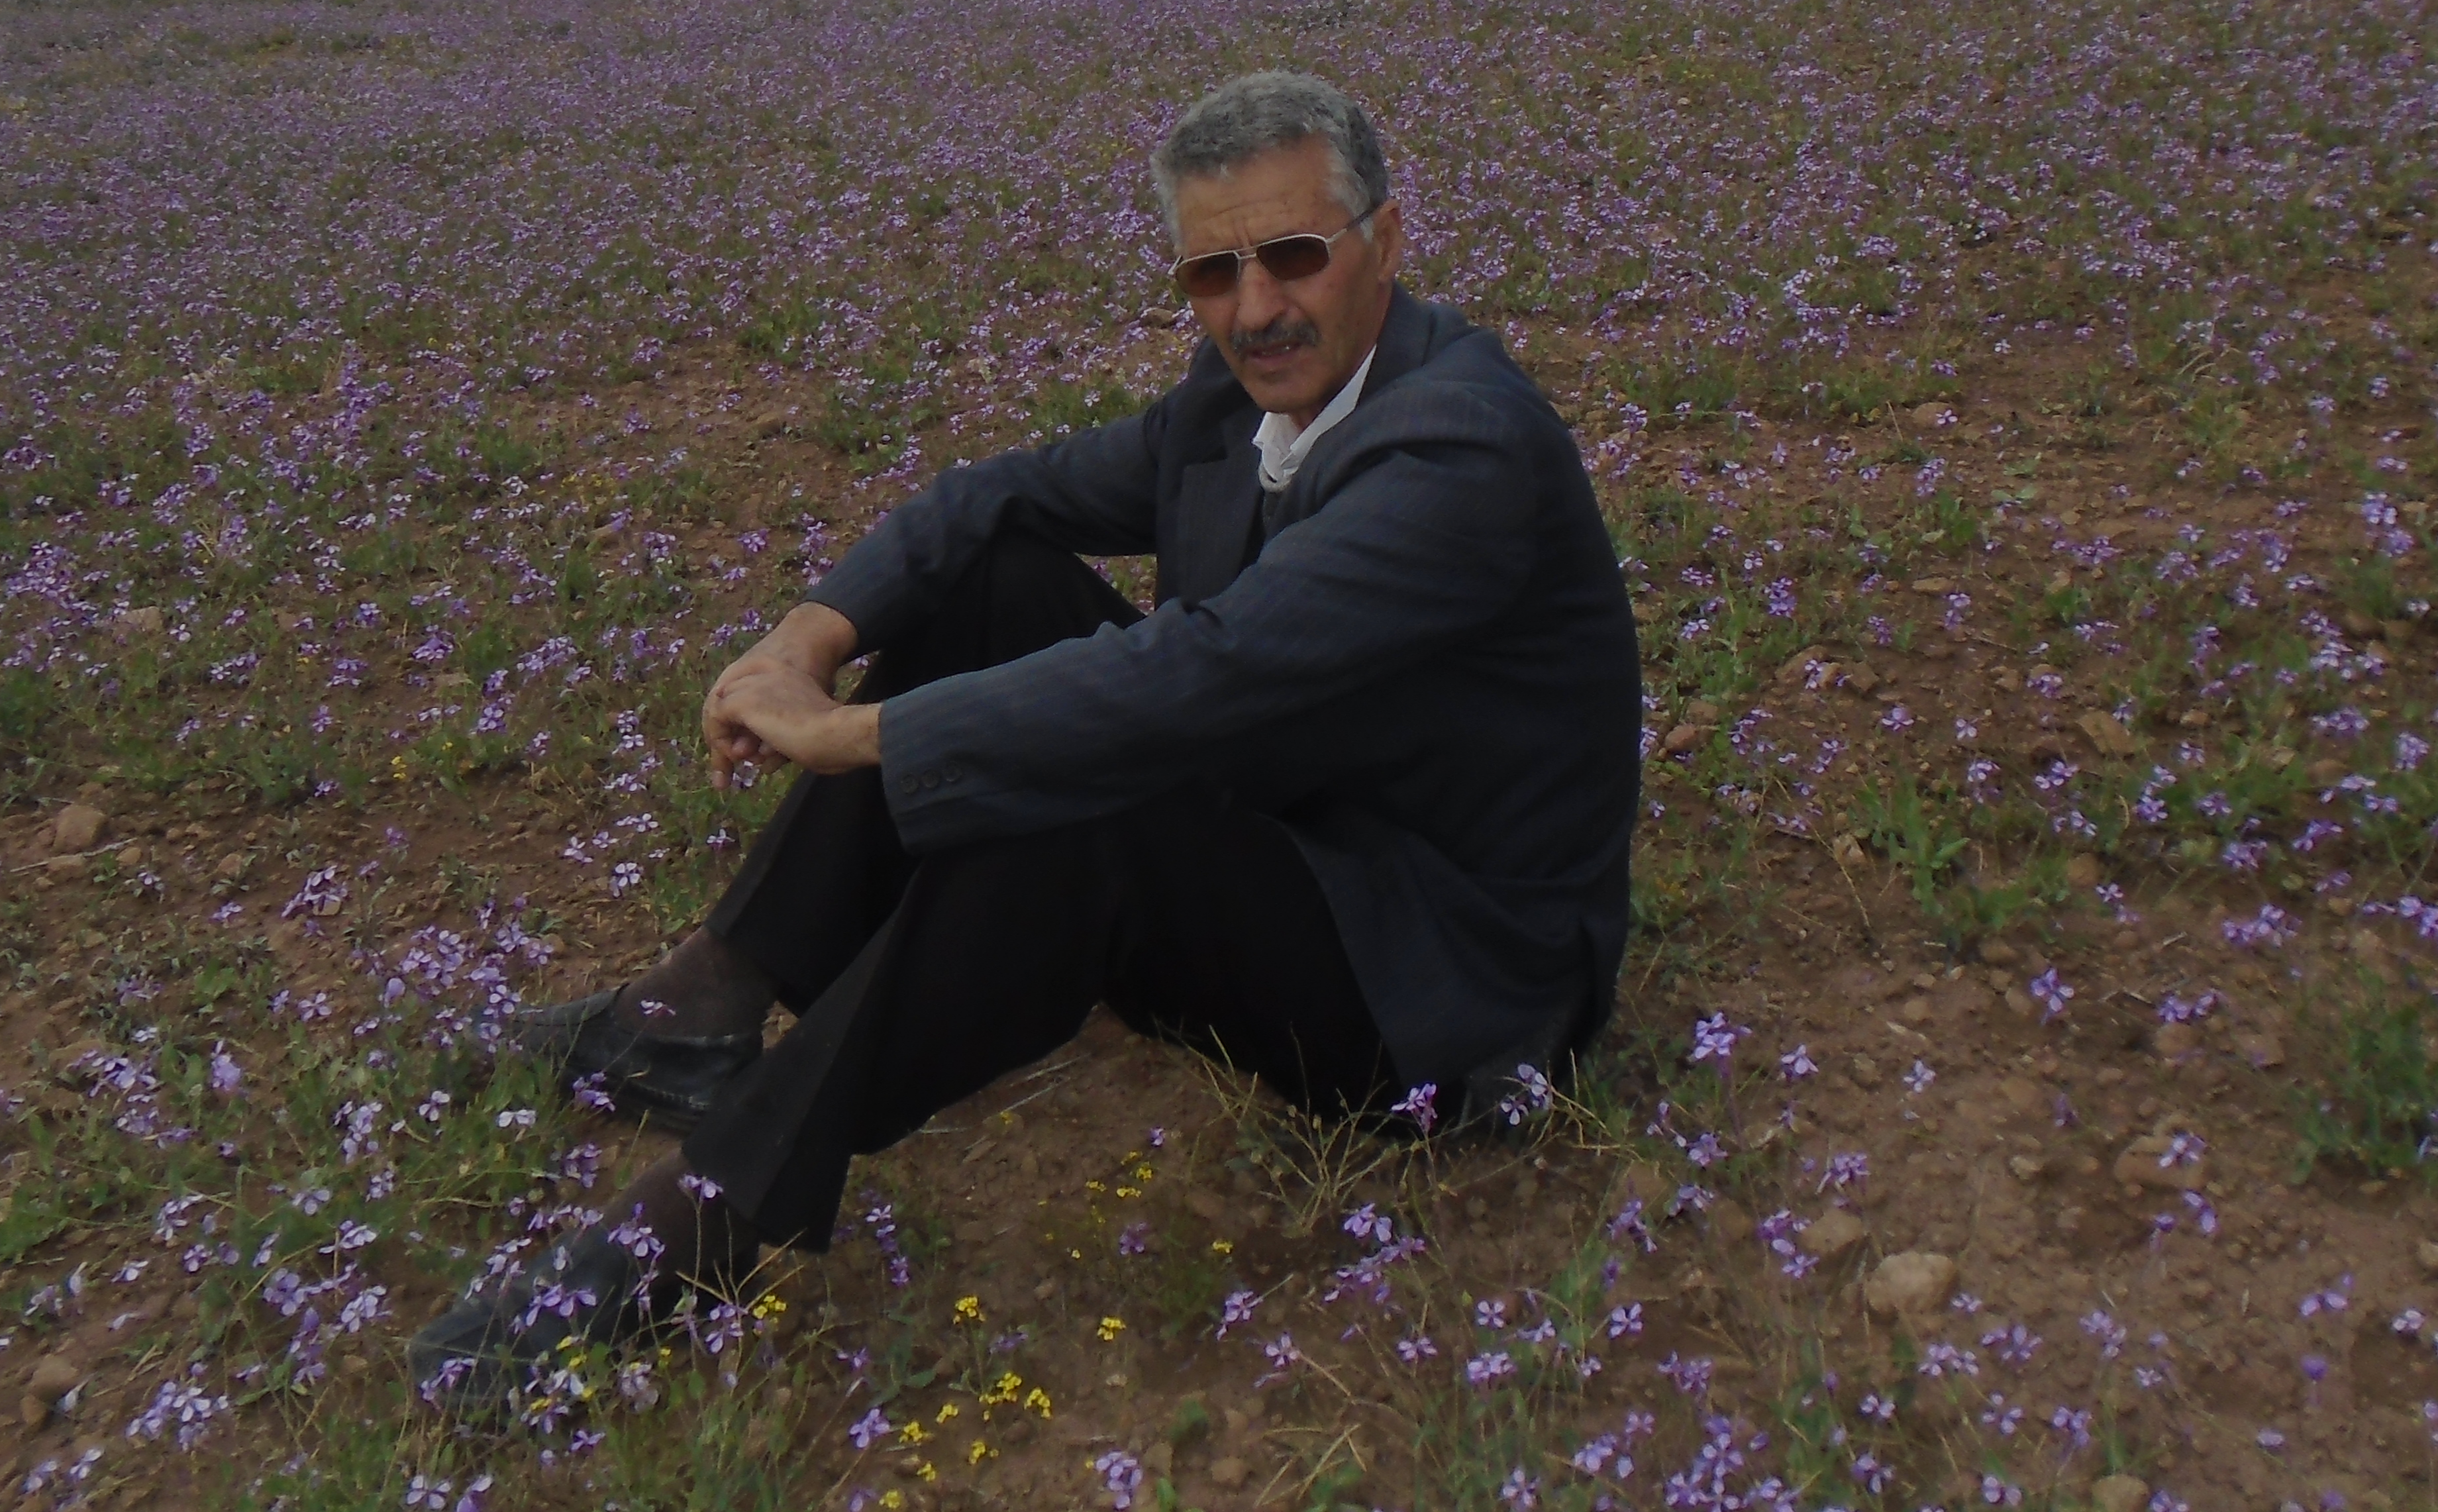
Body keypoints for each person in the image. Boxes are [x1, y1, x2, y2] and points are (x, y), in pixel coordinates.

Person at [410, 71, 1640, 1404]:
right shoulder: (1239, 401)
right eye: (1210, 274)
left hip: (1440, 985)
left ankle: (705, 1216)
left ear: (1384, 246)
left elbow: (1195, 675)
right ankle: (695, 1005)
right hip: (1297, 831)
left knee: (1093, 804)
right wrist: (806, 639)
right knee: (1001, 573)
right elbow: (995, 500)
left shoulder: (1459, 447)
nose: (1255, 309)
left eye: (1293, 255)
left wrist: (861, 733)